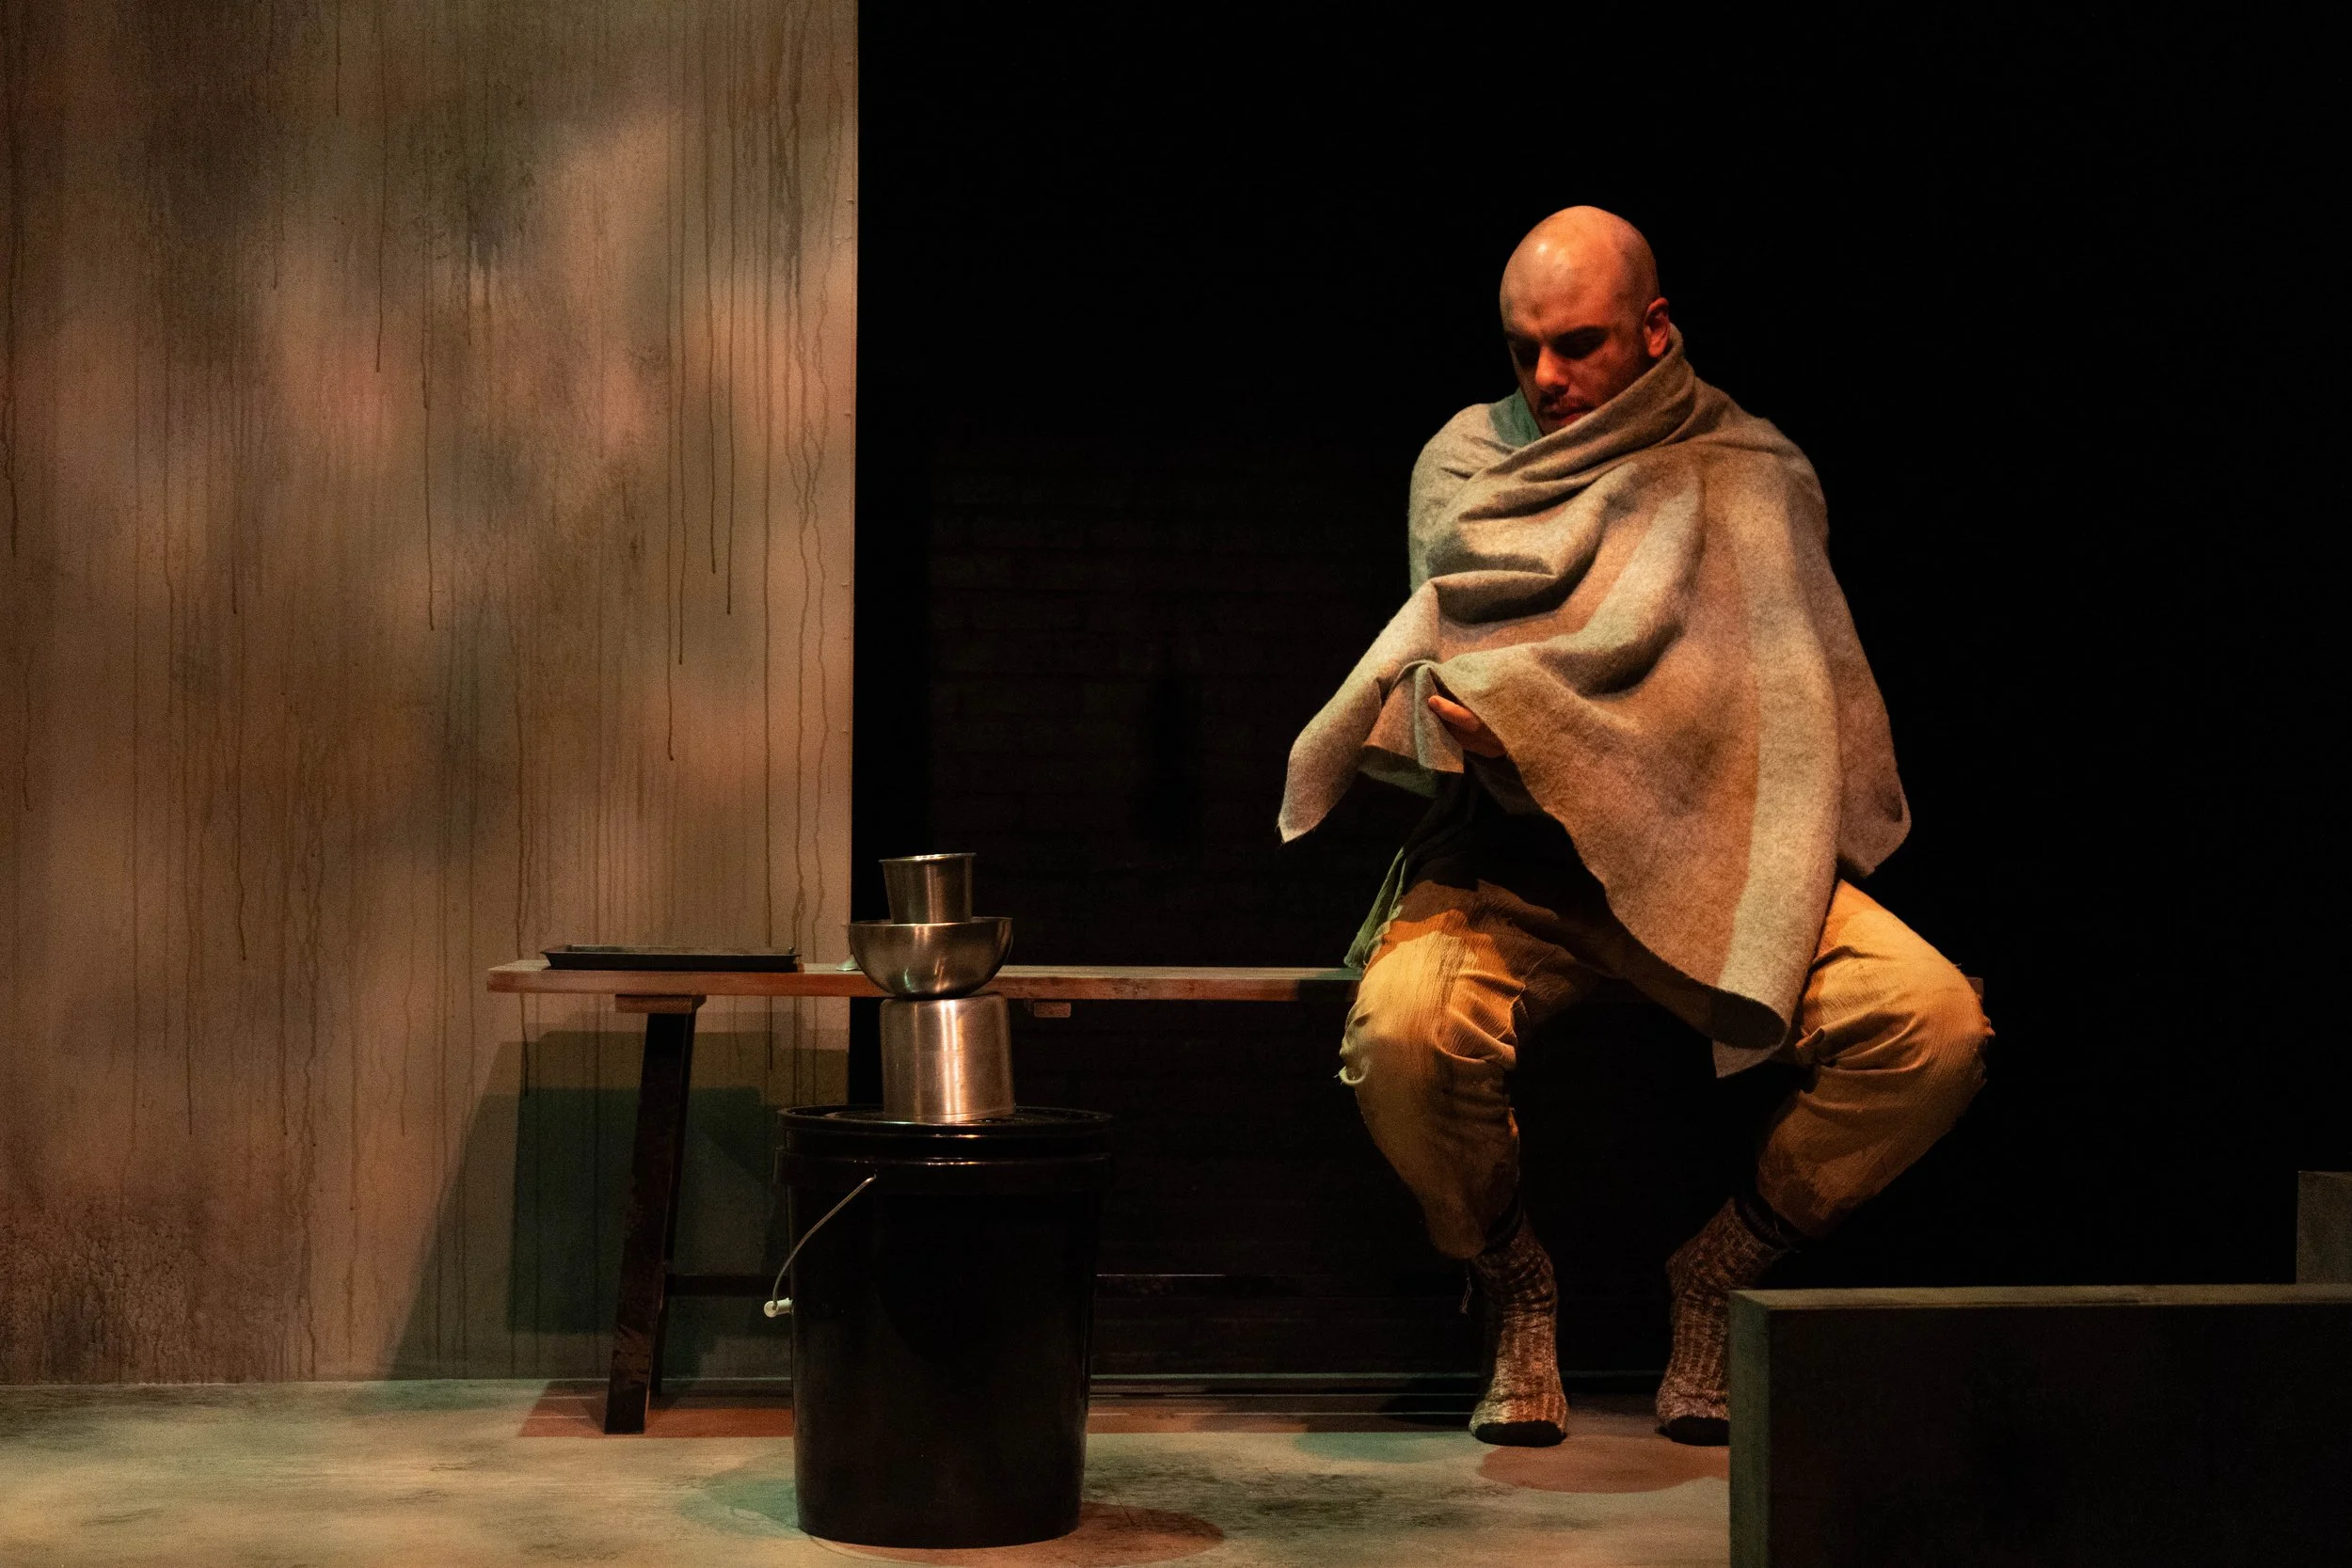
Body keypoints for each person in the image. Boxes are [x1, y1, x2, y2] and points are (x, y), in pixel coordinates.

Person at [1279, 207, 1991, 1448]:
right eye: (1522, 352)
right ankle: (1513, 1277)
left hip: (1713, 848)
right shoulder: (1466, 457)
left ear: (1658, 329)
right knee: (1398, 1034)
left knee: (1933, 1027)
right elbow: (1461, 654)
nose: (1547, 379)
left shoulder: (1752, 470)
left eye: (1580, 343)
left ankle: (1722, 1272)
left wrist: (1568, 720)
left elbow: (1775, 699)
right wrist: (1536, 724)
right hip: (1511, 860)